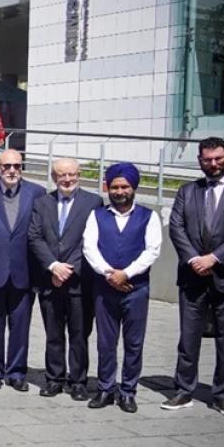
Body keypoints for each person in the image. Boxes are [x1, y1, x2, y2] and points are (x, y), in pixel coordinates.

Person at [166, 137, 224, 416]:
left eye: (218, 158)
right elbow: (176, 227)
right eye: (208, 159)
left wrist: (214, 258)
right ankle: (184, 390)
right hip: (192, 276)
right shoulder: (187, 191)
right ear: (200, 160)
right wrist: (194, 259)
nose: (214, 164)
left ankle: (222, 394)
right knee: (188, 338)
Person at [82, 163, 161, 413]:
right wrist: (109, 273)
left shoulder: (148, 217)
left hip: (136, 289)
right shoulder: (97, 215)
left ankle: (128, 391)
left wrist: (126, 273)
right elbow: (89, 248)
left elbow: (152, 250)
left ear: (133, 187)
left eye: (124, 187)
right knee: (106, 342)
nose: (119, 192)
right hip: (105, 289)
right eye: (114, 187)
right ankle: (105, 388)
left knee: (133, 343)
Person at [28, 158, 103, 401]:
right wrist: (53, 267)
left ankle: (78, 382)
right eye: (62, 175)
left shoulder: (93, 202)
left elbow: (91, 241)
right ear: (54, 177)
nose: (67, 179)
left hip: (80, 281)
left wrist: (67, 270)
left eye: (72, 174)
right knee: (53, 333)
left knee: (79, 334)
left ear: (79, 175)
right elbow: (34, 237)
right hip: (49, 280)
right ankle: (54, 379)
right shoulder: (42, 203)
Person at [0, 149, 46, 391]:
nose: (12, 170)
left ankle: (16, 373)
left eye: (17, 166)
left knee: (20, 326)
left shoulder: (37, 193)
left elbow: (41, 232)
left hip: (24, 271)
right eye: (7, 166)